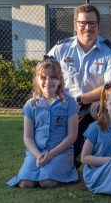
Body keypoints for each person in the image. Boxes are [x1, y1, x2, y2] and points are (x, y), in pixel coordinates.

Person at [47, 4, 111, 168]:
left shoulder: (109, 51)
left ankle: (107, 157)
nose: (87, 27)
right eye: (82, 23)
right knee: (63, 162)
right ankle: (73, 157)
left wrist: (81, 99)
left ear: (98, 25)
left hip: (95, 103)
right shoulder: (61, 49)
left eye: (92, 23)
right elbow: (44, 76)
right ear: (75, 25)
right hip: (67, 104)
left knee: (107, 111)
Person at [7, 57, 79, 188]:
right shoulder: (31, 104)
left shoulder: (69, 103)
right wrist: (38, 155)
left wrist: (51, 155)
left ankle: (62, 171)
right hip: (36, 152)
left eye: (53, 77)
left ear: (60, 80)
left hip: (60, 153)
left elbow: (72, 136)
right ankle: (37, 170)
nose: (48, 81)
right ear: (37, 80)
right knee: (25, 183)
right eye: (43, 77)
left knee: (46, 182)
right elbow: (28, 137)